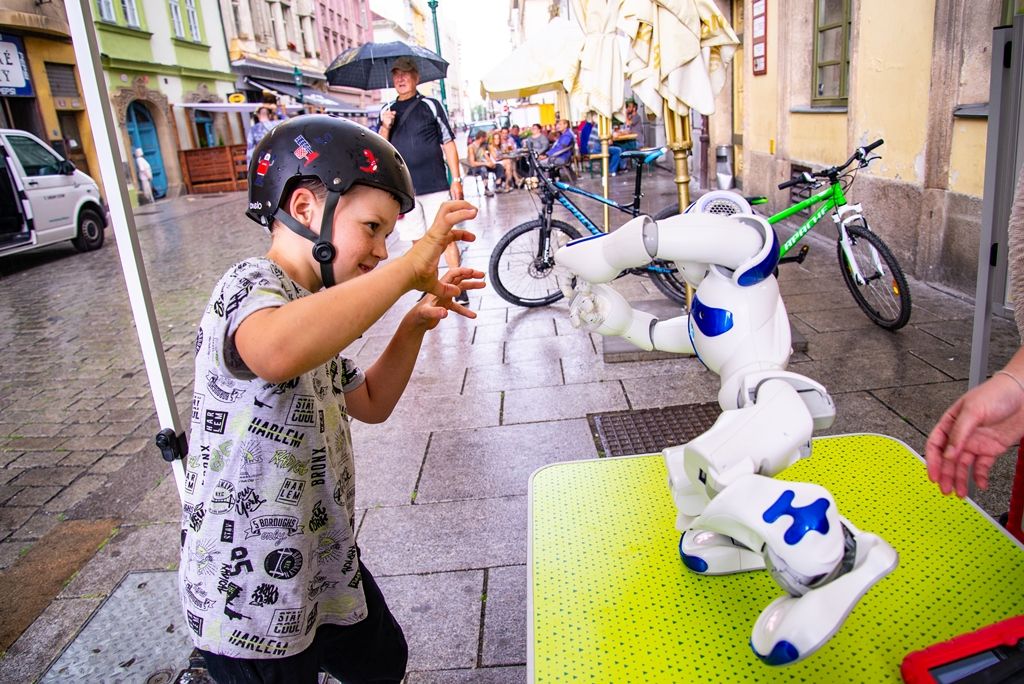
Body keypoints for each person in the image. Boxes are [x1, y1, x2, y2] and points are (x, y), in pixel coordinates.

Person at [182, 115, 483, 683]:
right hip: (249, 593)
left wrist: (414, 324)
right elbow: (273, 351)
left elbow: (370, 399)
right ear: (303, 209)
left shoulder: (309, 307)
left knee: (381, 662)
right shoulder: (250, 286)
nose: (381, 248)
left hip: (323, 553)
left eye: (389, 236)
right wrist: (403, 272)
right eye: (372, 227)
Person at [378, 57, 468, 303]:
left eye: (405, 74)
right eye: (396, 75)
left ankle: (457, 285)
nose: (400, 79)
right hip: (405, 190)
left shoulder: (430, 105)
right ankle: (431, 286)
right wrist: (385, 126)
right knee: (419, 243)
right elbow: (380, 148)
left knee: (445, 237)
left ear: (416, 77)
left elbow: (448, 142)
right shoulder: (386, 111)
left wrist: (456, 178)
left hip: (436, 185)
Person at [466, 130, 504, 197]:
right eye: (485, 138)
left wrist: (491, 163)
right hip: (475, 168)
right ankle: (486, 189)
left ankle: (498, 185)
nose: (486, 139)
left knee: (499, 166)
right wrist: (486, 164)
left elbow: (486, 156)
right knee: (483, 169)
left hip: (483, 164)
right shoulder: (471, 147)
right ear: (481, 138)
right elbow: (472, 163)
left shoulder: (482, 146)